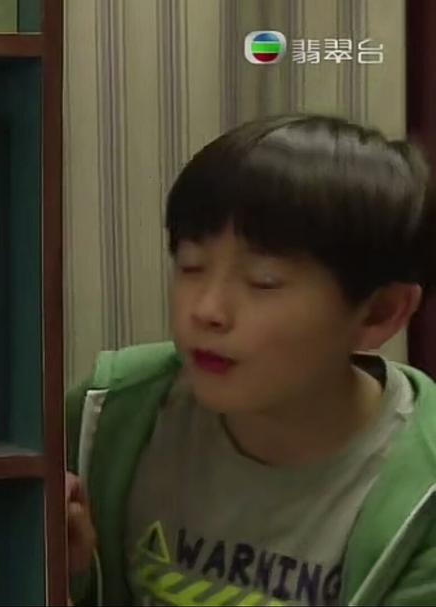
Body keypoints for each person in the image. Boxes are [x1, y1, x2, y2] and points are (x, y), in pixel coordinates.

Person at [65, 114, 436, 606]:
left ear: (379, 312)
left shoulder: (423, 495)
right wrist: (64, 575)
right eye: (191, 266)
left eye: (264, 281)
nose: (206, 310)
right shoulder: (110, 413)